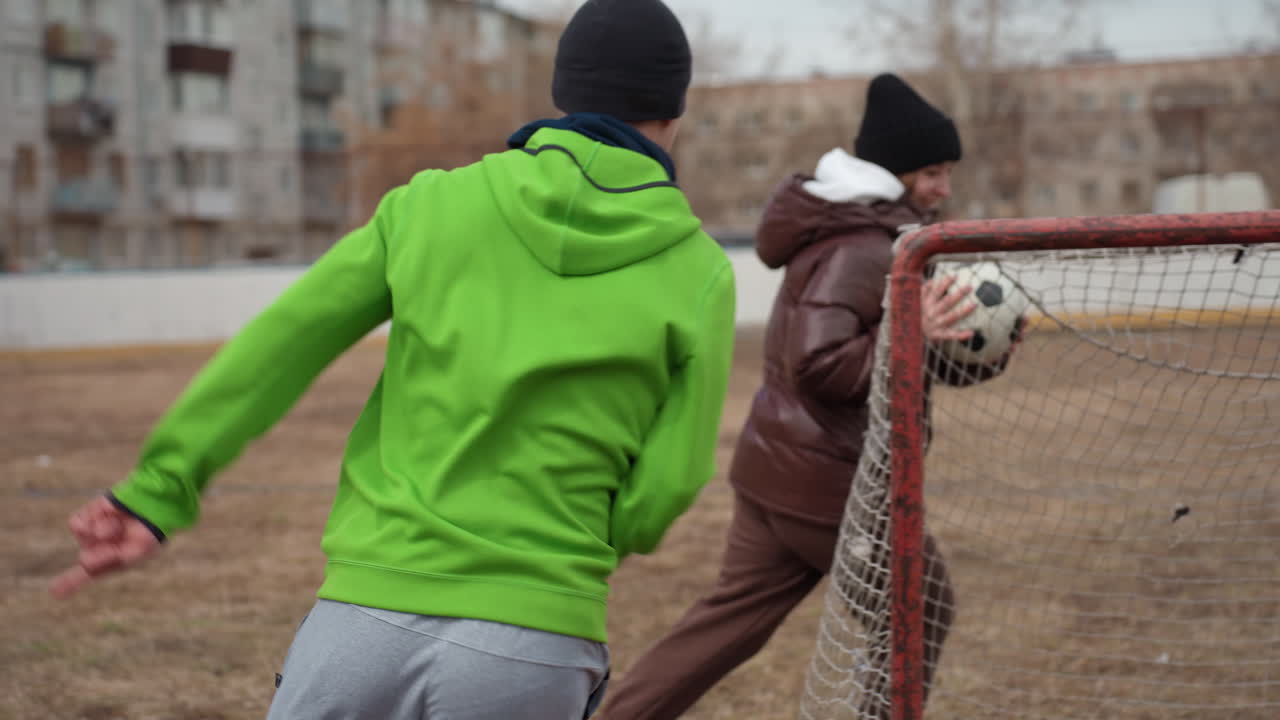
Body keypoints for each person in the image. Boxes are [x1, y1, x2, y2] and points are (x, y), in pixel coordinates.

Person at [49, 1, 737, 718]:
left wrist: (158, 490)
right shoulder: (698, 272)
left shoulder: (428, 207)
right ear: (672, 113)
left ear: (562, 97)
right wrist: (573, 554)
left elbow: (279, 345)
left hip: (363, 618)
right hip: (535, 637)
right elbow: (670, 482)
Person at [602, 73, 1017, 720]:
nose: (943, 188)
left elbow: (917, 364)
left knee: (726, 624)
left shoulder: (883, 238)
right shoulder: (860, 247)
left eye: (948, 173)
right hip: (828, 484)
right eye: (932, 172)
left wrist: (980, 341)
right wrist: (909, 329)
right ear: (895, 171)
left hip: (781, 472)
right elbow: (820, 366)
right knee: (919, 613)